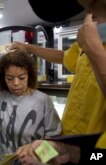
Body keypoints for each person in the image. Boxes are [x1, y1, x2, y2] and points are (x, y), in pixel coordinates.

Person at [11, 0, 106, 164]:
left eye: (93, 3)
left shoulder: (92, 43)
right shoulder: (91, 38)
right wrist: (28, 48)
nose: (88, 14)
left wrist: (94, 50)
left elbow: (97, 156)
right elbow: (64, 57)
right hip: (68, 140)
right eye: (85, 8)